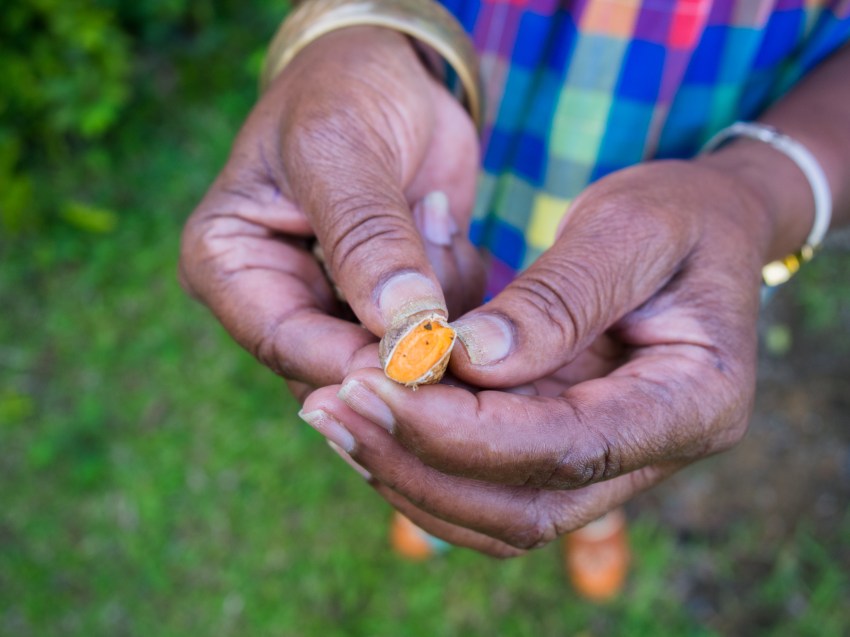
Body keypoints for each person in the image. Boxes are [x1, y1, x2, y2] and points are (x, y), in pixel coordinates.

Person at [178, 0, 850, 599]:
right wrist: (357, 25)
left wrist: (758, 192)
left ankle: (596, 515)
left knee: (598, 406)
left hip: (675, 200)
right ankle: (431, 487)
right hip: (454, 163)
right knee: (445, 410)